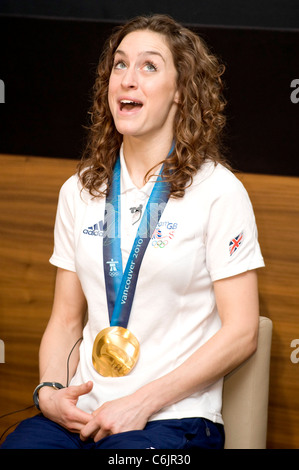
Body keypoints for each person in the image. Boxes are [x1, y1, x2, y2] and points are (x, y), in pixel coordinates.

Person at [1, 14, 264, 449]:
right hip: (82, 415)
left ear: (182, 91)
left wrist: (141, 403)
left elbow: (242, 332)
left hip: (173, 420)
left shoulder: (219, 190)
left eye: (149, 66)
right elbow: (66, 320)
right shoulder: (79, 191)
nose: (127, 78)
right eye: (119, 65)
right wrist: (49, 393)